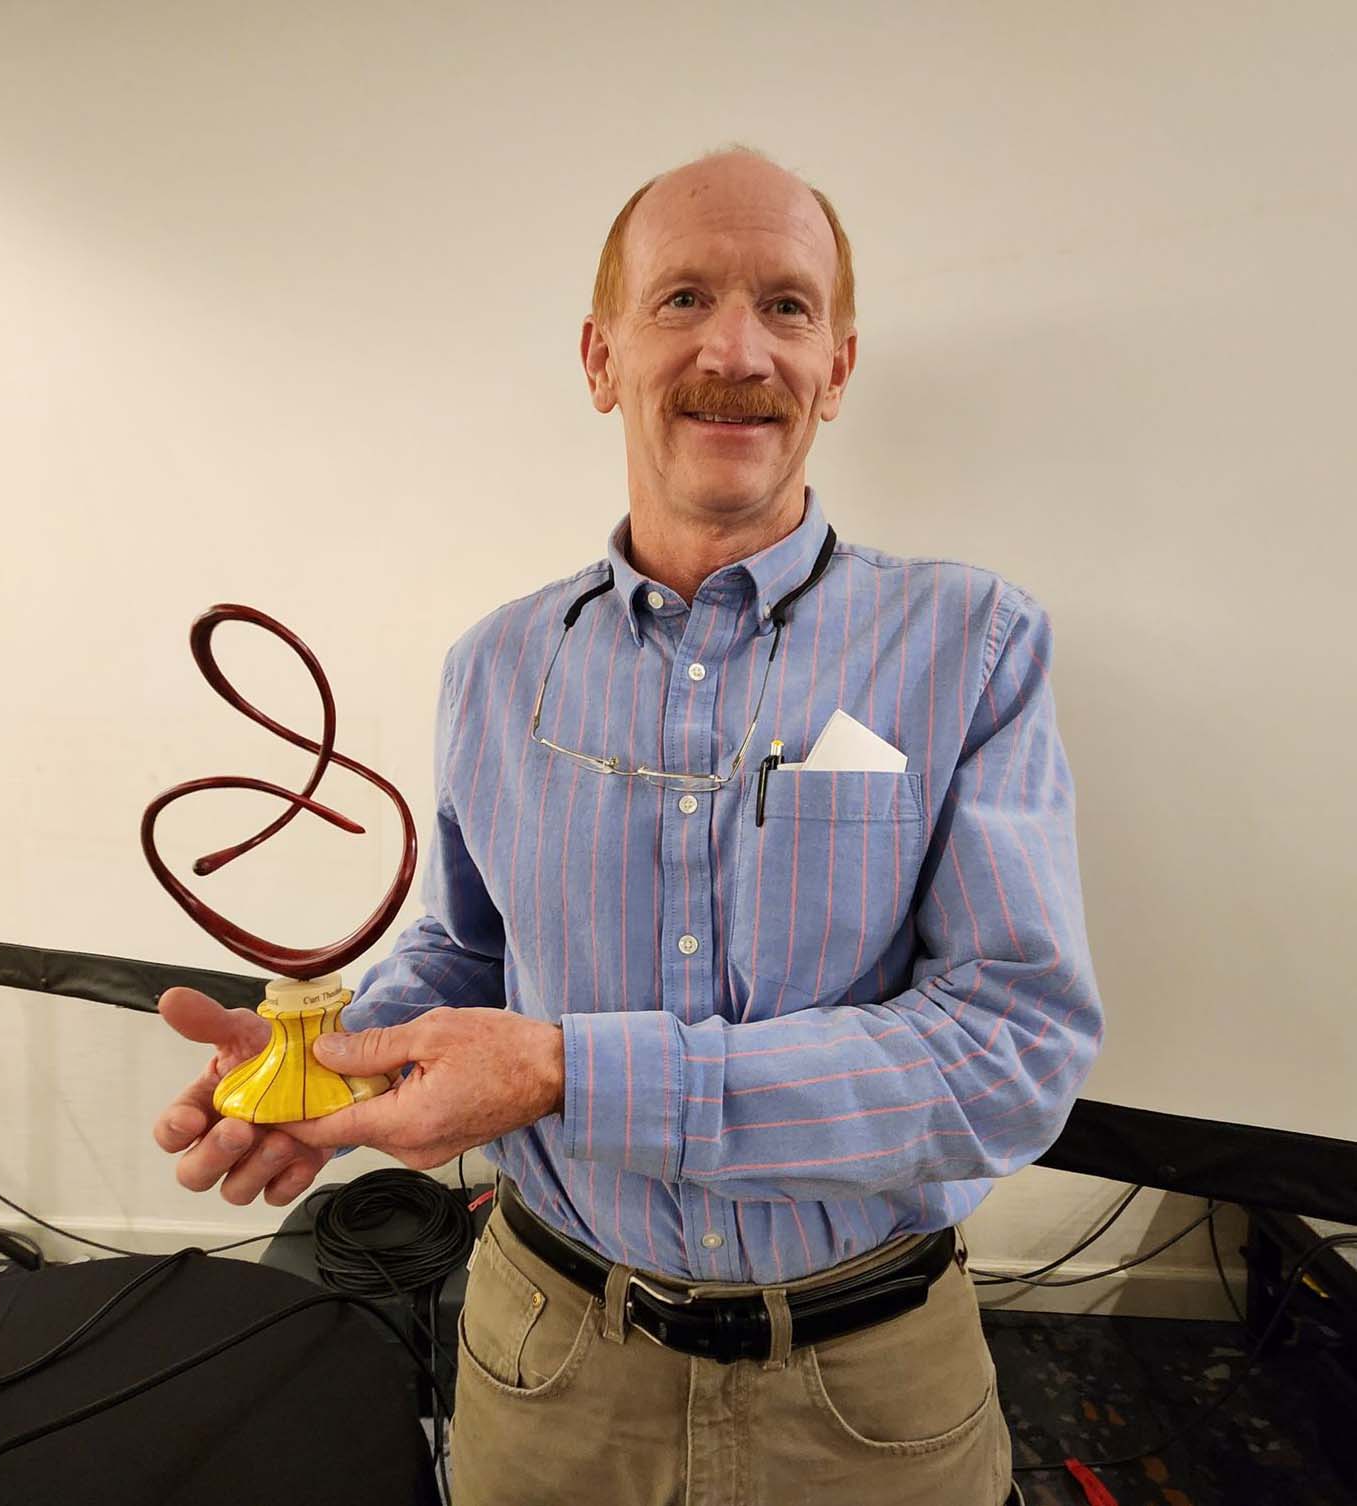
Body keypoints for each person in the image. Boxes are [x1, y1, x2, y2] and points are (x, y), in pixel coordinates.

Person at [154, 144, 1102, 1506]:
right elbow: (470, 951)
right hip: (549, 1374)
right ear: (602, 358)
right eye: (683, 299)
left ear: (837, 366)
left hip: (871, 1395)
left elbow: (1010, 1053)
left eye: (786, 306)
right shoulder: (496, 667)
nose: (737, 350)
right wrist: (342, 1073)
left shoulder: (972, 642)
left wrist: (568, 1073)